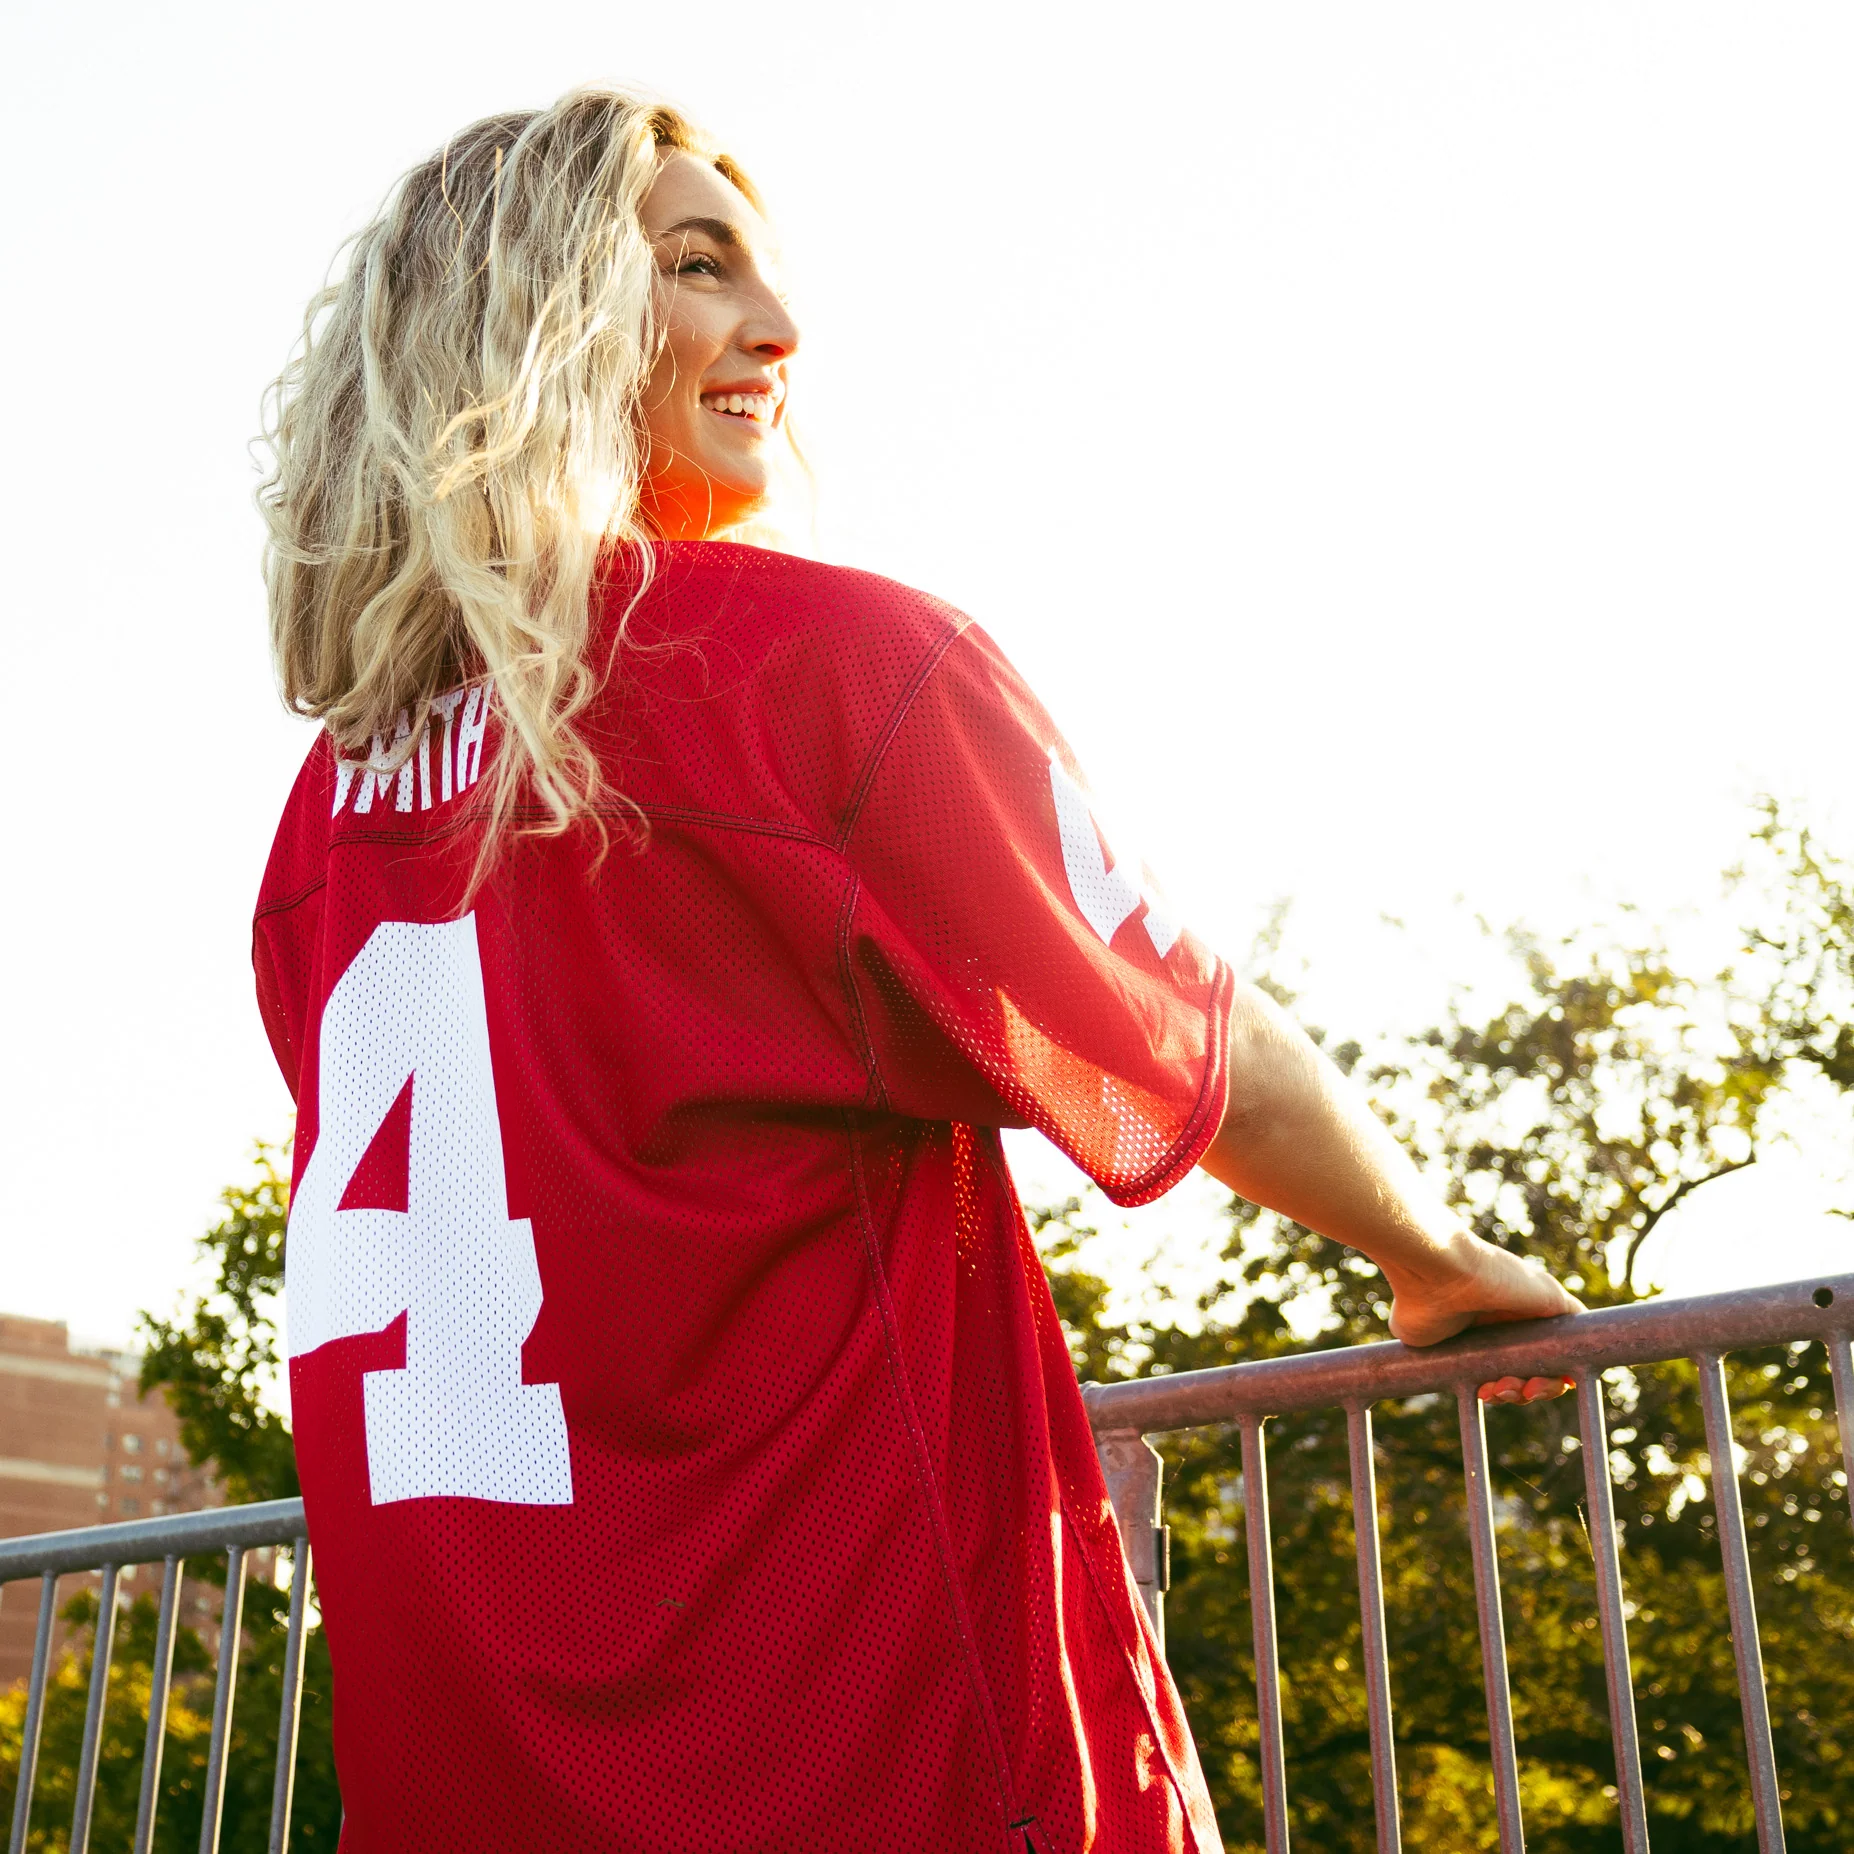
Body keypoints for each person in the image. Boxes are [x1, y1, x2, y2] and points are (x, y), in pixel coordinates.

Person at [253, 87, 1581, 1854]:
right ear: (536, 319)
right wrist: (1430, 1254)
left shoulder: (319, 816)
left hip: (476, 1782)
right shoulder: (826, 672)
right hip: (863, 1753)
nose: (778, 330)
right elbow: (1190, 1046)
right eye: (695, 265)